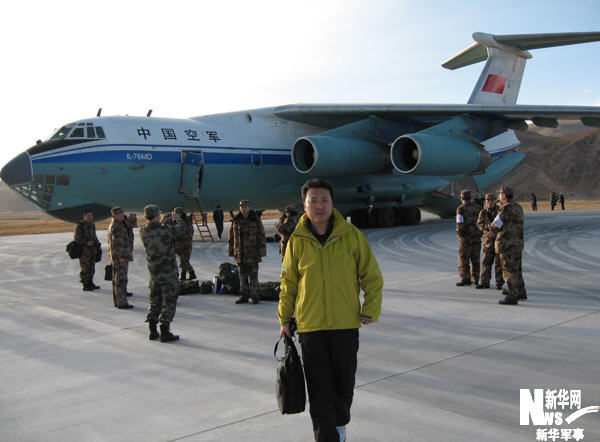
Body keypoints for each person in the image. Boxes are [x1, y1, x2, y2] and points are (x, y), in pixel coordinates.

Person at [278, 178, 383, 442]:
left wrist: (370, 307)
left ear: (332, 203)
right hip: (311, 326)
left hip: (345, 324)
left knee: (344, 386)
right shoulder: (297, 241)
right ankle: (327, 437)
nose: (319, 206)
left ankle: (339, 425)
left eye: (324, 200)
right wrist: (284, 317)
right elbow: (288, 282)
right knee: (319, 389)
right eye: (313, 200)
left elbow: (371, 275)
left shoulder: (351, 235)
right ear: (304, 205)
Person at [140, 205, 186, 342]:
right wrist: (178, 219)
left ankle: (152, 330)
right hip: (168, 272)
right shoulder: (165, 230)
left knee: (155, 300)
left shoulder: (143, 231)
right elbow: (180, 229)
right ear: (157, 216)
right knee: (169, 301)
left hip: (154, 272)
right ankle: (165, 330)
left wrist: (162, 223)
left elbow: (156, 231)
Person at [492, 186, 526, 305]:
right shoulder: (518, 207)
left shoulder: (505, 209)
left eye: (500, 194)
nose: (499, 196)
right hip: (517, 243)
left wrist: (488, 228)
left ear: (504, 195)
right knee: (517, 269)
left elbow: (496, 225)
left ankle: (512, 296)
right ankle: (521, 291)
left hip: (507, 244)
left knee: (508, 271)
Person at [228, 200, 266, 304]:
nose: (243, 209)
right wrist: (231, 251)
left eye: (245, 207)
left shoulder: (255, 219)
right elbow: (231, 237)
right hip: (240, 253)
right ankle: (244, 296)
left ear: (249, 207)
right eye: (241, 207)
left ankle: (255, 296)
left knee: (253, 276)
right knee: (242, 276)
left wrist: (262, 251)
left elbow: (261, 235)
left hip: (252, 253)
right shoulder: (236, 220)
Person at [476, 194, 504, 290]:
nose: (489, 202)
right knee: (486, 263)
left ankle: (499, 283)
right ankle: (484, 282)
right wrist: (487, 228)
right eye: (487, 200)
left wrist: (495, 231)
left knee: (499, 264)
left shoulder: (500, 211)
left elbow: (503, 224)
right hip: (488, 241)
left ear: (495, 201)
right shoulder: (483, 213)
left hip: (498, 241)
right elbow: (479, 225)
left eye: (491, 200)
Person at [107, 207, 133, 309]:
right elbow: (117, 244)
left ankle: (119, 300)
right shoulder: (116, 227)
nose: (123, 215)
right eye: (120, 213)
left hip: (119, 256)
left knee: (118, 278)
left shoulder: (119, 225)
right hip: (120, 257)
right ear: (115, 215)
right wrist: (121, 256)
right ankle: (121, 302)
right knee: (120, 279)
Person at [455, 190, 482, 286]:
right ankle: (476, 278)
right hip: (476, 236)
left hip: (466, 237)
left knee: (464, 258)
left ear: (462, 198)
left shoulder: (461, 209)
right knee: (475, 258)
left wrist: (461, 235)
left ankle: (465, 278)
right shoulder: (478, 208)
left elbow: (459, 223)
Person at [74, 209, 100, 291]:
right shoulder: (80, 225)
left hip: (93, 250)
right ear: (84, 216)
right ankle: (85, 284)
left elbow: (94, 235)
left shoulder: (92, 225)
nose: (90, 217)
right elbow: (77, 238)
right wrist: (86, 242)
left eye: (91, 216)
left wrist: (97, 244)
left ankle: (90, 282)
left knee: (92, 267)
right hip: (84, 251)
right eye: (88, 216)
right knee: (85, 268)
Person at [169, 207, 196, 280]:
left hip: (185, 245)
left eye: (176, 214)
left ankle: (183, 275)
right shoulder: (176, 222)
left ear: (180, 214)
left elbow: (188, 233)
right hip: (178, 245)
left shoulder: (186, 222)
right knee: (185, 261)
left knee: (183, 261)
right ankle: (192, 273)